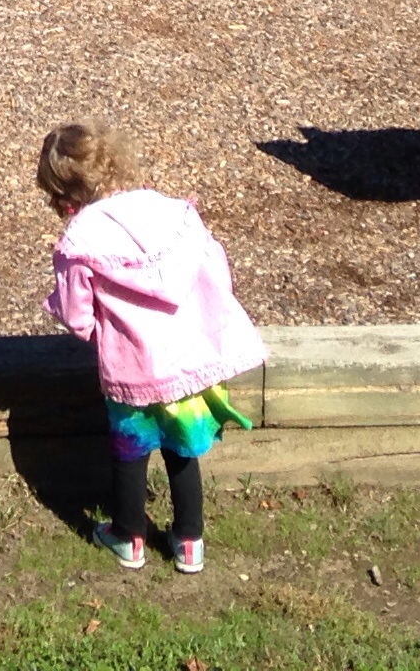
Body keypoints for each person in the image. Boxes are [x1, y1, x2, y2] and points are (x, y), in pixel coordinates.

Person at [37, 121, 266, 573]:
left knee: (131, 451)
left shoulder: (80, 239)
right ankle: (189, 541)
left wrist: (102, 337)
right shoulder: (170, 212)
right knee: (182, 451)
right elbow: (213, 268)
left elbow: (77, 315)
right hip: (186, 363)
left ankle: (129, 536)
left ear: (63, 192)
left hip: (132, 369)